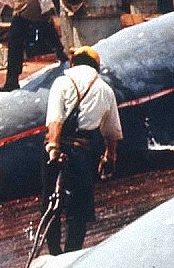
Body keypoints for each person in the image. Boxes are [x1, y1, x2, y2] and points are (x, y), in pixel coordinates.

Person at [42, 46, 123, 255]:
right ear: (97, 66)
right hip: (83, 153)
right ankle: (72, 255)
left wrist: (53, 149)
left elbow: (55, 121)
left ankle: (53, 253)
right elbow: (112, 132)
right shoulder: (105, 89)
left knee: (51, 204)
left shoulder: (62, 82)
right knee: (78, 209)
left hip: (57, 148)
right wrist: (109, 157)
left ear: (72, 63)